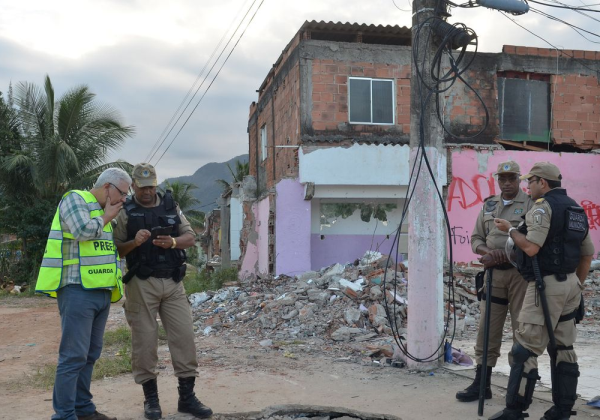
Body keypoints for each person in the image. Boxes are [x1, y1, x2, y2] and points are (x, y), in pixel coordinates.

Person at [490, 162, 594, 420]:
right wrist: (577, 286)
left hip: (546, 285)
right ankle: (561, 410)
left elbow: (532, 248)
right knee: (563, 348)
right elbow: (587, 254)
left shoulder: (542, 207)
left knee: (524, 348)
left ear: (543, 183)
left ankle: (515, 410)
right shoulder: (576, 209)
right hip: (570, 284)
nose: (527, 186)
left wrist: (511, 230)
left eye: (531, 181)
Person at [113, 163, 212, 420]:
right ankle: (151, 401)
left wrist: (173, 242)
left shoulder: (171, 206)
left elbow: (190, 237)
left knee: (184, 338)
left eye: (151, 186)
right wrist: (134, 243)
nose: (147, 192)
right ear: (134, 185)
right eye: (142, 187)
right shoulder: (126, 210)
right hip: (141, 284)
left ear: (156, 184)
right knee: (144, 342)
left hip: (173, 282)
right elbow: (115, 249)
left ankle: (187, 398)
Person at [36, 167, 131, 420]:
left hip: (100, 292)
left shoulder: (103, 212)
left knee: (90, 354)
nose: (124, 199)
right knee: (73, 356)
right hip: (77, 290)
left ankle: (83, 409)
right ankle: (64, 414)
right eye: (122, 193)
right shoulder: (75, 198)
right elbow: (82, 232)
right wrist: (107, 217)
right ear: (108, 187)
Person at [456, 161, 533, 403]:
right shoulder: (490, 205)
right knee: (487, 329)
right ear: (498, 180)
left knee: (522, 329)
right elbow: (476, 239)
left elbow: (535, 240)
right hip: (493, 274)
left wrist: (510, 251)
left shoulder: (531, 205)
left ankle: (518, 388)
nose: (507, 183)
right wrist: (487, 252)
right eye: (503, 178)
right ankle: (482, 383)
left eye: (512, 178)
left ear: (519, 179)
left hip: (520, 274)